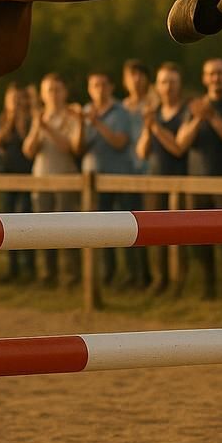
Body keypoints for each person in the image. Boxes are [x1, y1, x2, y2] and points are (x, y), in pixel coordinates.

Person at [176, 58, 222, 300]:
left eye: (220, 73)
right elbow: (181, 143)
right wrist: (198, 118)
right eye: (211, 74)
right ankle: (208, 288)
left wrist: (213, 117)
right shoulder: (194, 107)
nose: (216, 78)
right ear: (204, 78)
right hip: (198, 183)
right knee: (201, 238)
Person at [82, 71, 143, 289]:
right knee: (103, 231)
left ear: (110, 87)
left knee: (130, 230)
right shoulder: (86, 112)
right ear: (89, 89)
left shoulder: (121, 112)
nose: (99, 89)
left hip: (122, 178)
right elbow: (79, 147)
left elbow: (120, 142)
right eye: (94, 85)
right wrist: (81, 124)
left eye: (103, 84)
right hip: (96, 181)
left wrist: (97, 123)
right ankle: (109, 274)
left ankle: (137, 275)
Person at [23, 73, 83, 288]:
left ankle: (71, 275)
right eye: (49, 90)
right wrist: (38, 127)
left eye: (57, 90)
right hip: (41, 180)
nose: (53, 95)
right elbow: (28, 150)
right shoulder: (40, 118)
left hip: (65, 180)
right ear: (43, 94)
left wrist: (47, 128)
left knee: (67, 230)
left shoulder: (71, 117)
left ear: (65, 92)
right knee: (43, 230)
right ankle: (48, 274)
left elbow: (70, 147)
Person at [135, 62, 191, 293]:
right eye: (163, 82)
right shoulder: (154, 113)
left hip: (179, 182)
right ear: (157, 86)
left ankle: (179, 281)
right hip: (154, 181)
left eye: (172, 82)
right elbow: (141, 151)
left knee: (178, 235)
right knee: (156, 233)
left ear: (180, 84)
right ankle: (160, 279)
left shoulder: (186, 112)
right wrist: (148, 128)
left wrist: (156, 128)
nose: (168, 87)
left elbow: (178, 148)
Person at [0, 83, 35, 283]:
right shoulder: (3, 120)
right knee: (8, 223)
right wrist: (11, 120)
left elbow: (28, 142)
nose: (16, 103)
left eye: (19, 99)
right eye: (13, 99)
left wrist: (20, 120)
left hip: (26, 176)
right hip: (7, 177)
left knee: (26, 222)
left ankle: (29, 268)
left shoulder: (30, 119)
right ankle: (13, 268)